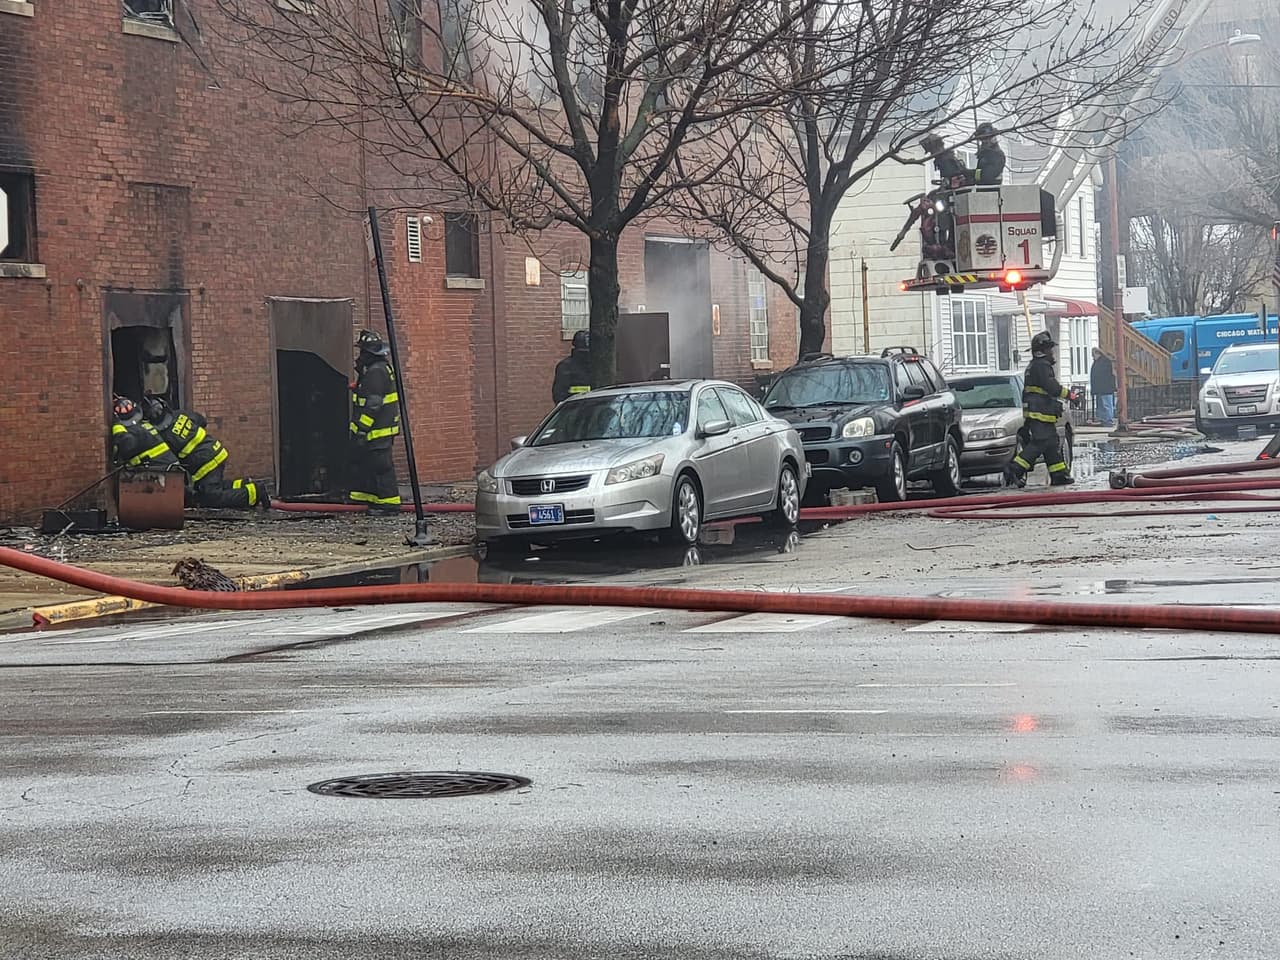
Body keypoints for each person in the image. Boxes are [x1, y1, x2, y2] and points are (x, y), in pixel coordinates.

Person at [142, 395, 260, 509]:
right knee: (211, 488)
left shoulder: (164, 436)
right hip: (215, 451)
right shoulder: (180, 415)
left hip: (207, 464)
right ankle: (245, 485)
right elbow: (202, 421)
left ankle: (253, 494)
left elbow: (170, 460)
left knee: (211, 498)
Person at [1005, 331, 1079, 487]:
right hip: (1040, 413)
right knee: (1040, 442)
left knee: (1051, 443)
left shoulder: (1035, 366)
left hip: (1039, 413)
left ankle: (1058, 474)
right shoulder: (1042, 366)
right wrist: (1070, 395)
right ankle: (1015, 468)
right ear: (1042, 350)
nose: (1052, 352)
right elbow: (1052, 387)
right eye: (1049, 349)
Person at [348, 329, 402, 513]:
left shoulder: (376, 371)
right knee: (367, 464)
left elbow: (373, 405)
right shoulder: (376, 369)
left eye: (362, 352)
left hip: (377, 429)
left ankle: (389, 504)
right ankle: (367, 498)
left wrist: (362, 429)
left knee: (381, 466)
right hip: (378, 428)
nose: (360, 356)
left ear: (369, 353)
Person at [111, 395, 182, 472]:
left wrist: (117, 426)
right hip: (172, 467)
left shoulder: (133, 431)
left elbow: (127, 446)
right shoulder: (145, 425)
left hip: (161, 470)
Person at [553, 329, 592, 404]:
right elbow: (559, 396)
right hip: (575, 408)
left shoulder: (598, 366)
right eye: (583, 353)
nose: (585, 356)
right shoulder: (565, 367)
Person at [1090, 347, 1117, 427]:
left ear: (1098, 353)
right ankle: (1103, 420)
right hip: (1100, 388)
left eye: (1093, 354)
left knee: (1106, 405)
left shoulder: (1105, 362)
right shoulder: (1098, 362)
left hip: (1105, 388)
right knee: (1101, 405)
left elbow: (1104, 376)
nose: (1093, 356)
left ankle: (1108, 421)